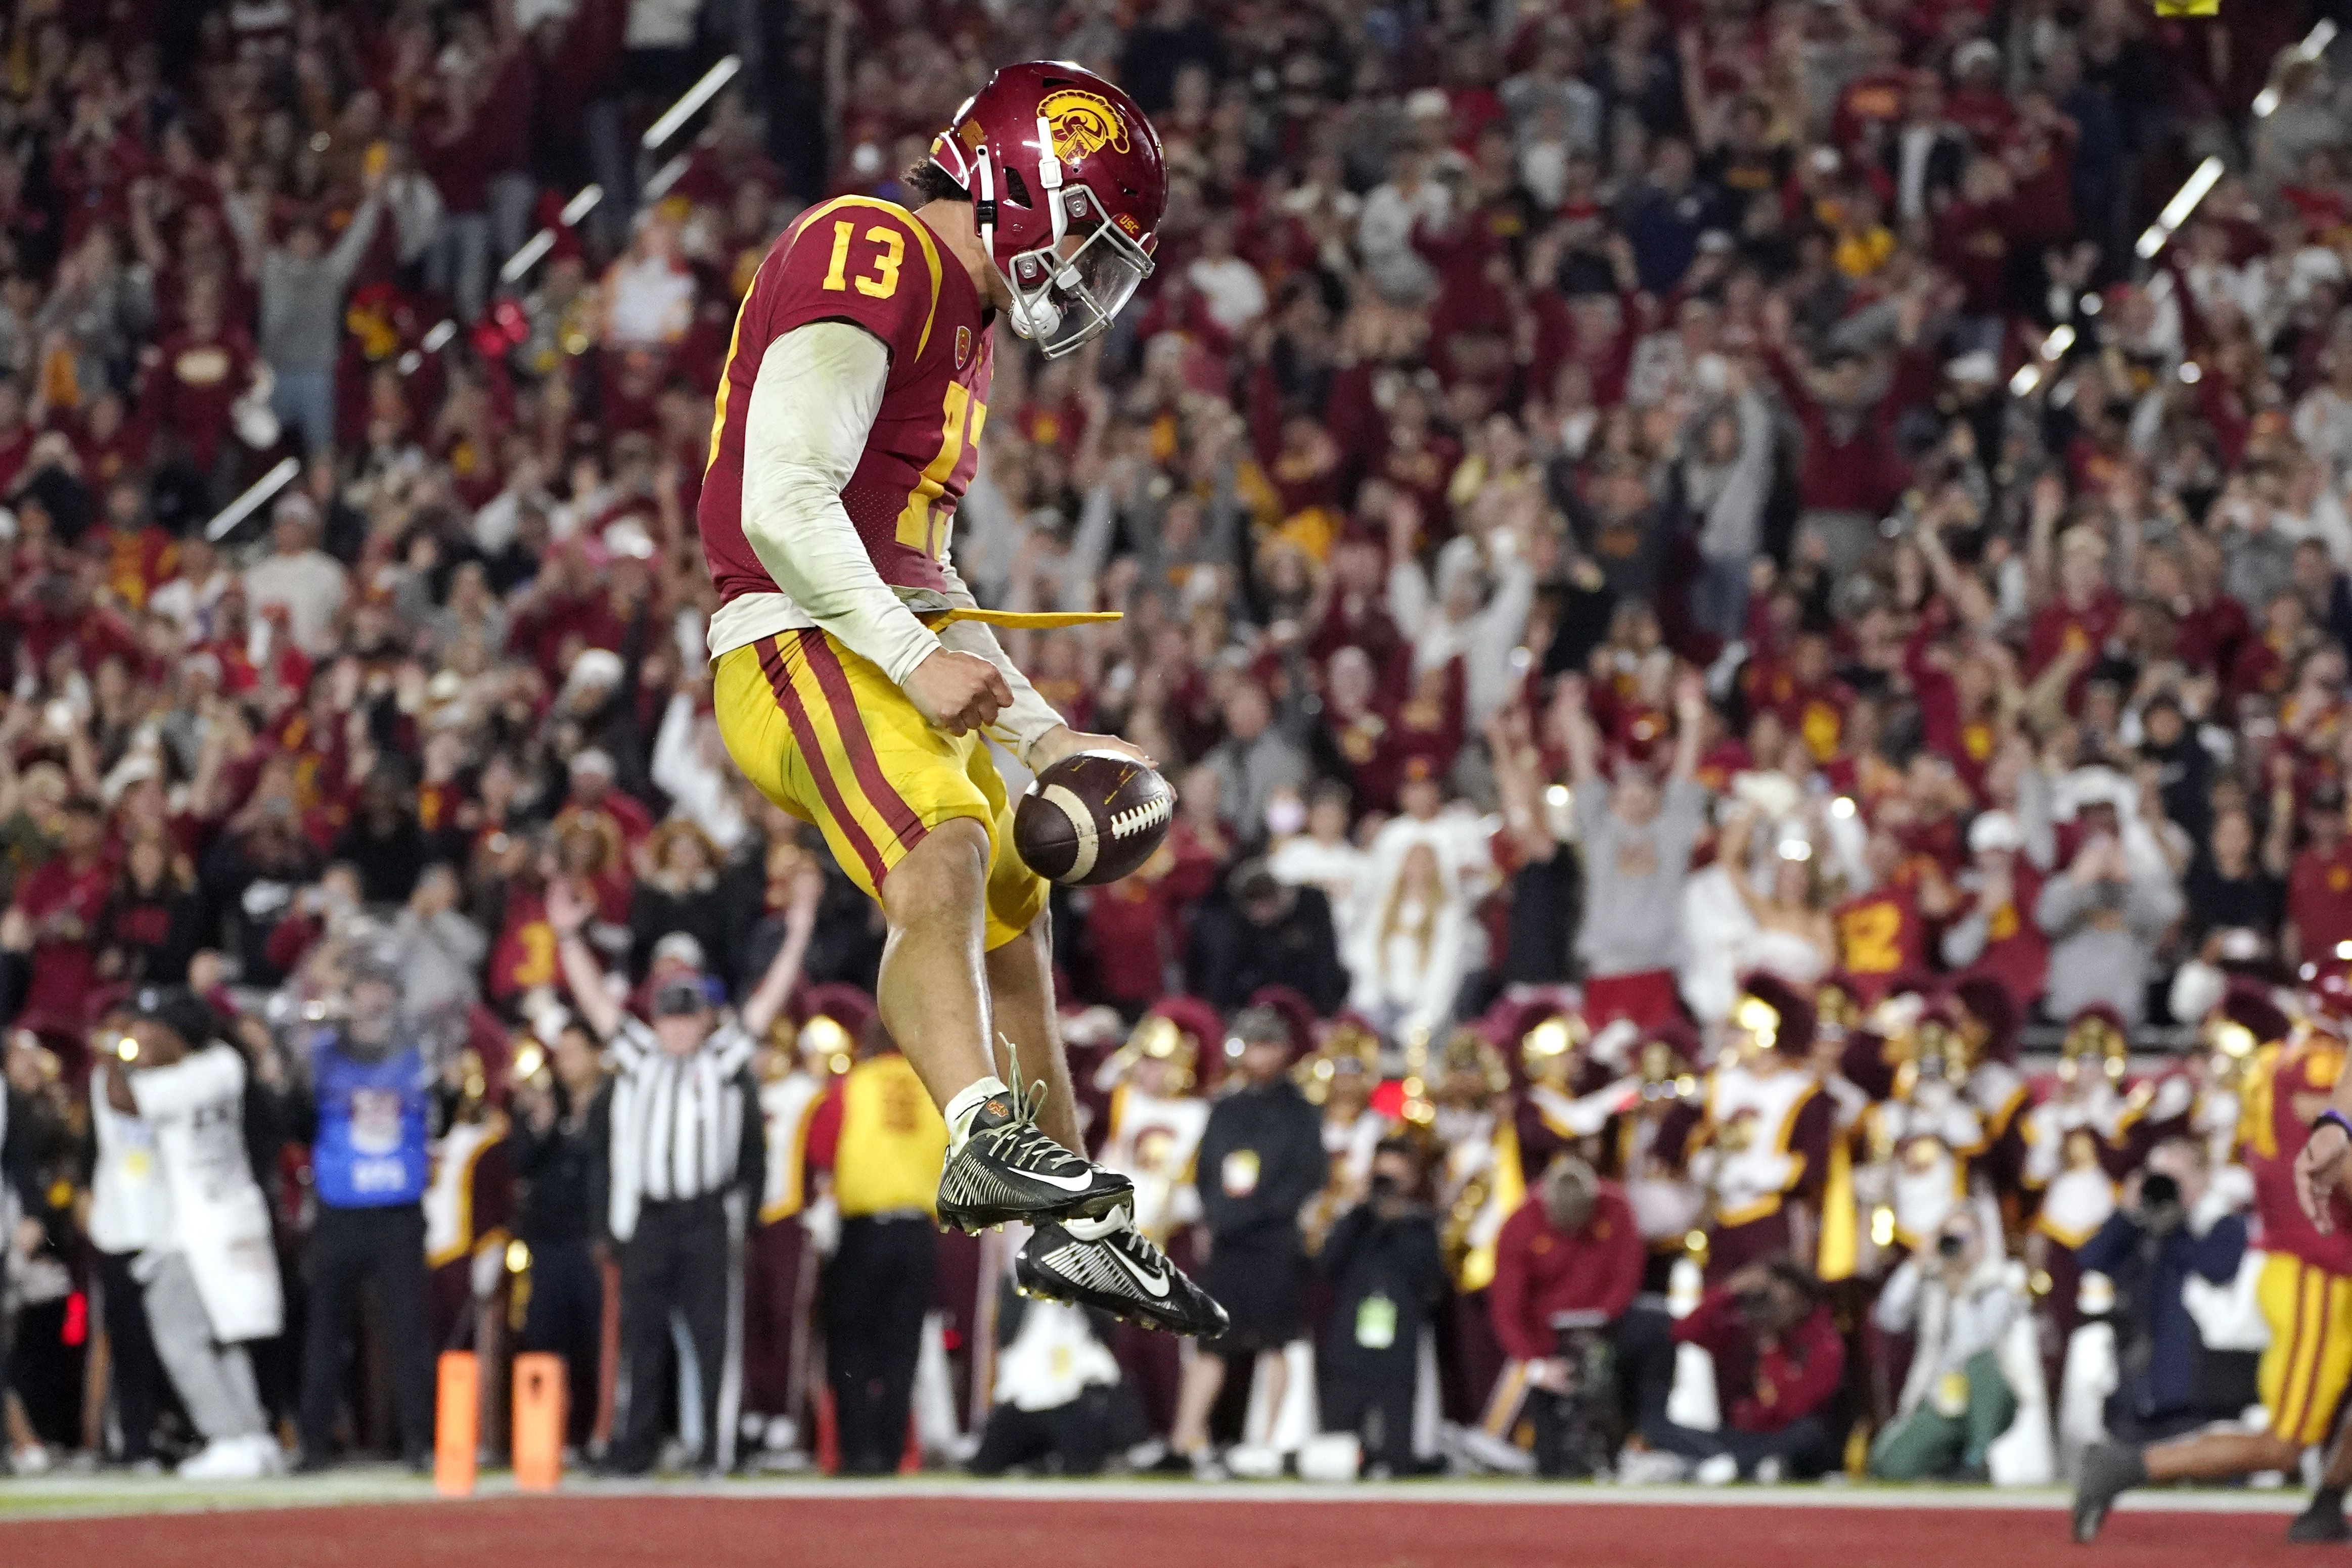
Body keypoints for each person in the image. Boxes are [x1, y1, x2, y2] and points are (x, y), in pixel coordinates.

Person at [692, 59, 1218, 1335]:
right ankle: (983, 1132)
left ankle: (1080, 1225)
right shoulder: (872, 249)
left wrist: (1047, 731)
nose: (1087, 277)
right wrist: (913, 657)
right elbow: (782, 505)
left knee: (1010, 902)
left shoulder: (961, 325)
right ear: (1016, 187)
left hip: (873, 628)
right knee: (947, 843)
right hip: (794, 632)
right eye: (1086, 234)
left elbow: (924, 574)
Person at [548, 877, 795, 1477]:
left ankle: (716, 1449)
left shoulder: (722, 1058)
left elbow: (767, 1004)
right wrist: (566, 938)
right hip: (653, 1216)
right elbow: (596, 1007)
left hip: (706, 1213)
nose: (680, 1029)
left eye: (689, 1019)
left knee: (715, 1338)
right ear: (656, 1020)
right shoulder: (638, 1057)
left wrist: (801, 928)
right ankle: (634, 1450)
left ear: (705, 1021)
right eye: (671, 1018)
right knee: (641, 1338)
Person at [2086, 1012, 2352, 1541]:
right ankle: (2128, 1466)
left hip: (2311, 1256)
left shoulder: (2280, 1057)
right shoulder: (2320, 1060)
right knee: (2282, 1444)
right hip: (2316, 1267)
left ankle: (2325, 1502)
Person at [106, 987, 286, 1480]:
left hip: (199, 1230)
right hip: (237, 1214)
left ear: (177, 1036)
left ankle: (227, 1437)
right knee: (226, 1334)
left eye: (151, 1029)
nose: (141, 1037)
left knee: (180, 1335)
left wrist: (111, 1052)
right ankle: (253, 1436)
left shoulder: (185, 1079)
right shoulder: (226, 1063)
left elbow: (123, 1100)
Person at [287, 934, 438, 1471]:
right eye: (365, 990)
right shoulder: (323, 1055)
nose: (374, 1001)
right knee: (325, 1334)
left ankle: (420, 1442)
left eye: (383, 990)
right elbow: (295, 1020)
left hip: (397, 1210)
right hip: (340, 1211)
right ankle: (312, 1445)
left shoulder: (418, 1053)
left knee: (407, 1332)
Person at [1169, 1006, 1328, 1471]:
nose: (1255, 1055)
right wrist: (1217, 1217)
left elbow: (1305, 1176)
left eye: (1264, 1045)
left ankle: (1267, 1442)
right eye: (1249, 1045)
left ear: (1282, 1050)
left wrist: (1247, 1214)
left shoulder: (1301, 1111)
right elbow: (1205, 1171)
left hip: (1274, 1241)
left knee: (1277, 1340)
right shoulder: (1225, 1107)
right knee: (1212, 1340)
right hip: (1229, 1242)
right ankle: (1183, 1441)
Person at [805, 1014, 948, 1475]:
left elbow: (820, 1150)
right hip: (918, 1230)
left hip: (864, 1229)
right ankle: (891, 1451)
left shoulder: (853, 1086)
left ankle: (855, 1449)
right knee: (901, 1345)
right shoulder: (936, 1091)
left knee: (850, 1342)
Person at [1488, 1155, 1649, 1479]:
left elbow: (1627, 1273)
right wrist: (1536, 1364)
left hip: (1607, 1325)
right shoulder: (1521, 1225)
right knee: (1550, 1450)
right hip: (1545, 1336)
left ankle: (1632, 1445)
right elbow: (1507, 1307)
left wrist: (1603, 1318)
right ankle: (1518, 1447)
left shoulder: (1615, 1209)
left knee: (1645, 1336)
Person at [1643, 1257, 1845, 1483]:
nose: (1774, 1309)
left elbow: (1793, 1408)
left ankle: (1736, 1466)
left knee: (1809, 1434)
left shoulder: (1823, 1344)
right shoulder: (1743, 1334)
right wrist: (1730, 1289)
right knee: (1661, 1428)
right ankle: (1746, 1465)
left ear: (1804, 1303)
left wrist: (1771, 1352)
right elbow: (1684, 1330)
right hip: (1742, 1436)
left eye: (1782, 1301)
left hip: (1791, 1437)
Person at [1316, 1137, 1445, 1478]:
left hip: (1398, 1343)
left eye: (1395, 1178)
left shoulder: (1421, 1224)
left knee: (1398, 1452)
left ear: (1412, 1180)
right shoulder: (1355, 1221)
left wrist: (1397, 1222)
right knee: (1339, 1451)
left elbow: (1431, 1278)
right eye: (1381, 1177)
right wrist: (1359, 1212)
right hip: (1349, 1343)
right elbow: (1326, 1265)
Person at [1869, 1210, 2025, 1481]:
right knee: (1888, 1464)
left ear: (1981, 1242)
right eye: (1949, 1236)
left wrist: (1960, 1294)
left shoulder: (1998, 1282)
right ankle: (1949, 1461)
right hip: (1940, 1397)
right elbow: (1888, 1317)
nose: (1957, 1244)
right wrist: (1916, 1264)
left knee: (1982, 1364)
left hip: (1988, 1395)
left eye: (1965, 1236)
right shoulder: (1933, 1281)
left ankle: (1976, 1458)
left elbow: (1978, 1345)